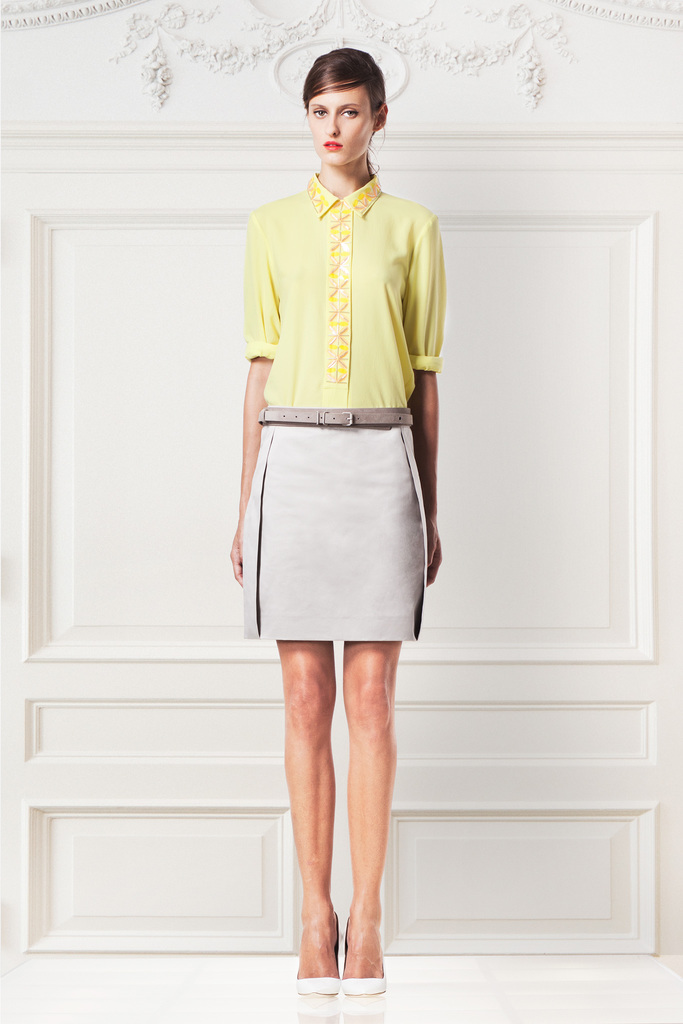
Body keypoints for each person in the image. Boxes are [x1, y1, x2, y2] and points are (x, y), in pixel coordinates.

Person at [230, 47, 447, 997]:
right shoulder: (269, 226)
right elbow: (258, 371)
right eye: (319, 110)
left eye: (350, 111)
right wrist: (245, 500)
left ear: (378, 118)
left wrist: (429, 506)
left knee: (371, 699)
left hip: (380, 461)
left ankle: (369, 919)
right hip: (292, 462)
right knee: (303, 696)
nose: (332, 127)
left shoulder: (414, 228)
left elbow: (425, 379)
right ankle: (315, 918)